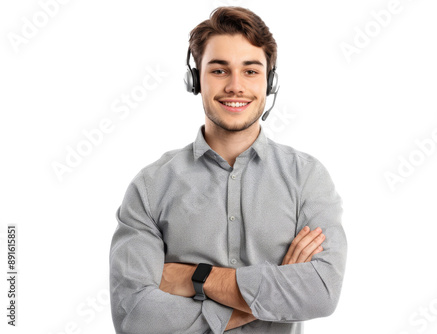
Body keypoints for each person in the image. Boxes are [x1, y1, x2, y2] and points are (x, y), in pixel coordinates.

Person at [109, 6, 347, 334]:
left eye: (250, 71)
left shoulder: (307, 178)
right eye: (219, 70)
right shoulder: (151, 186)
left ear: (270, 82)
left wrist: (195, 278)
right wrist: (268, 299)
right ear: (195, 80)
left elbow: (321, 292)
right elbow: (134, 316)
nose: (236, 86)